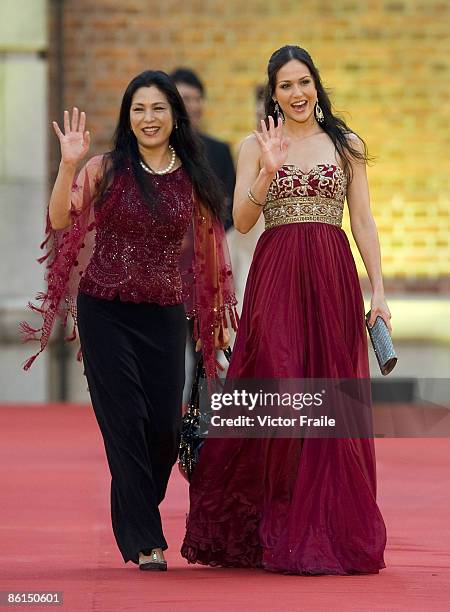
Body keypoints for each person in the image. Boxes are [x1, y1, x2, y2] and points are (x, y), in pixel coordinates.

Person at [181, 45, 389, 575]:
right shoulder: (256, 145)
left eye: (304, 83)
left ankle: (317, 527)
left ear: (316, 85)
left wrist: (379, 294)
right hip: (277, 275)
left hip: (333, 276)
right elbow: (244, 221)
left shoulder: (346, 145)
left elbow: (362, 221)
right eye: (285, 86)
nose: (297, 94)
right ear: (272, 93)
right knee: (277, 384)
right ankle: (265, 521)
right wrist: (267, 171)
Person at [21, 70, 237, 571]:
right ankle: (146, 541)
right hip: (106, 309)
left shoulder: (195, 178)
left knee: (162, 429)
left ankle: (138, 512)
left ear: (174, 116)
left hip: (165, 315)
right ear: (128, 117)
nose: (149, 118)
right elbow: (59, 219)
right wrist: (67, 165)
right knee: (125, 421)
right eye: (139, 109)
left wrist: (214, 320)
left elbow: (210, 252)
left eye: (159, 108)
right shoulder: (105, 168)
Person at [170, 67, 236, 230]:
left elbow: (231, 210)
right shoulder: (157, 150)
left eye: (198, 99)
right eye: (186, 99)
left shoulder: (220, 151)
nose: (194, 106)